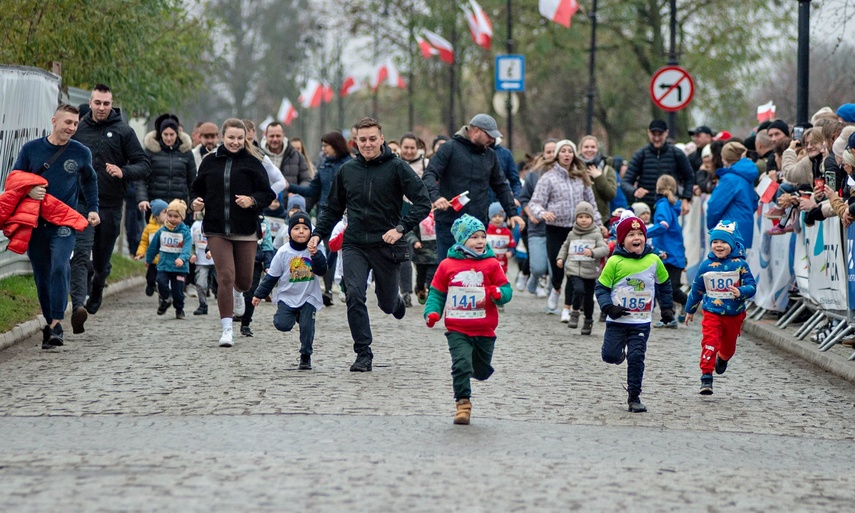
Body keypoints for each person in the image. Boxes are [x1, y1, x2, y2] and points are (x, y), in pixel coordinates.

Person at [309, 117, 432, 372]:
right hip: (355, 243)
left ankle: (395, 302)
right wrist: (317, 234)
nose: (367, 144)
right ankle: (363, 353)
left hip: (385, 244)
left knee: (386, 305)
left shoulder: (397, 168)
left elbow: (423, 202)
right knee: (354, 294)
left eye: (372, 139)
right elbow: (332, 209)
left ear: (381, 139)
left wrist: (400, 229)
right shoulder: (347, 171)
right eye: (362, 140)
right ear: (356, 142)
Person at [8, 104, 100, 347]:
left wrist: (93, 208)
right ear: (54, 121)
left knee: (60, 266)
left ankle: (56, 324)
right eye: (67, 122)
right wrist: (30, 190)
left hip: (64, 223)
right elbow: (14, 180)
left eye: (75, 124)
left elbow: (90, 181)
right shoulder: (31, 149)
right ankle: (50, 322)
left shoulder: (81, 152)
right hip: (35, 223)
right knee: (42, 275)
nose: (71, 127)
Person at [71, 83, 151, 328]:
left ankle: (98, 284)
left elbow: (144, 164)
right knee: (81, 253)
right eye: (97, 103)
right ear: (91, 102)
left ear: (111, 104)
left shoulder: (123, 131)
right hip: (82, 203)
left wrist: (123, 171)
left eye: (106, 103)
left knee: (101, 257)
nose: (102, 107)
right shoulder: (79, 128)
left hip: (110, 203)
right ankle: (78, 305)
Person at [190, 118, 275, 347]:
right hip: (216, 227)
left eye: (240, 138)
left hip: (245, 228)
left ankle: (239, 293)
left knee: (245, 282)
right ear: (222, 137)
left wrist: (252, 200)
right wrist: (194, 203)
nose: (236, 142)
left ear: (245, 138)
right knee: (225, 276)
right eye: (231, 138)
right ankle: (227, 329)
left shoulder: (253, 162)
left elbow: (268, 194)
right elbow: (196, 190)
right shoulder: (209, 162)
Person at [423, 214, 513, 425]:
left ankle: (476, 371)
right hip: (457, 327)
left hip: (484, 329)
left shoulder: (491, 264)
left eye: (482, 236)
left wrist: (499, 293)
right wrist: (432, 313)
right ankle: (463, 404)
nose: (480, 241)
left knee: (481, 370)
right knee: (461, 364)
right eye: (474, 237)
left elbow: (507, 289)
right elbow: (436, 293)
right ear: (462, 240)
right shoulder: (447, 265)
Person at [595, 211, 674, 413]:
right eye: (630, 235)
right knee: (610, 356)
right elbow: (602, 288)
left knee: (637, 356)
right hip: (618, 320)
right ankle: (618, 355)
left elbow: (664, 284)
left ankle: (634, 396)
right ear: (622, 241)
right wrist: (608, 308)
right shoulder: (614, 262)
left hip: (641, 321)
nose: (636, 238)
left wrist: (667, 308)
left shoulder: (654, 260)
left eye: (639, 234)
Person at [422, 113, 525, 263]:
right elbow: (429, 174)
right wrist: (436, 197)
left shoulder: (491, 155)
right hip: (449, 222)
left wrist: (512, 212)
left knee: (474, 271)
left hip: (477, 224)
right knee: (449, 267)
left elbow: (501, 186)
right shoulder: (449, 148)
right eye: (489, 135)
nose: (492, 140)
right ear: (475, 130)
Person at [527, 139, 603, 319]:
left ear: (574, 155)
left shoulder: (581, 176)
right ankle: (555, 288)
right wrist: (543, 213)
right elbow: (535, 203)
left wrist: (599, 224)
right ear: (557, 155)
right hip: (555, 228)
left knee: (574, 268)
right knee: (557, 265)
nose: (567, 154)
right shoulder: (548, 177)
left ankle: (567, 308)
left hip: (577, 230)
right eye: (564, 151)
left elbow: (591, 203)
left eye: (570, 151)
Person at [684, 221, 756, 395]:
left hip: (734, 314)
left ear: (731, 244)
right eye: (715, 242)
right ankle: (706, 376)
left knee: (728, 348)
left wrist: (740, 291)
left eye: (723, 242)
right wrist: (690, 310)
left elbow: (752, 286)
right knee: (710, 342)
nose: (719, 246)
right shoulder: (706, 265)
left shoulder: (740, 265)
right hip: (712, 312)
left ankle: (722, 359)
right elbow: (697, 289)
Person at [252, 211, 328, 370]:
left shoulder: (314, 249)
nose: (301, 231)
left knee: (307, 327)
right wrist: (259, 294)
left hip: (309, 296)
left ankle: (305, 356)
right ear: (289, 232)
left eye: (305, 229)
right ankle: (293, 316)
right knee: (282, 325)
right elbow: (272, 277)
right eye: (297, 228)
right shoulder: (283, 252)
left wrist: (316, 255)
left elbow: (322, 270)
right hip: (287, 296)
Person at [556, 201, 609, 335]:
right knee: (578, 289)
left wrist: (592, 252)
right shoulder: (572, 234)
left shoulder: (596, 234)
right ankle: (574, 312)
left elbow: (605, 249)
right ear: (576, 218)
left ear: (592, 218)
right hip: (574, 269)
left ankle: (588, 321)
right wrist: (560, 258)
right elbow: (565, 246)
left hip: (590, 271)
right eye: (580, 217)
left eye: (587, 217)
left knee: (588, 299)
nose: (583, 220)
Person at [621, 119, 694, 215]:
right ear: (648, 133)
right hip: (645, 209)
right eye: (653, 134)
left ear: (666, 133)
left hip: (669, 206)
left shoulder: (677, 154)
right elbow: (625, 182)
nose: (656, 138)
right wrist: (634, 191)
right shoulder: (641, 154)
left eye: (660, 134)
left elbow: (689, 177)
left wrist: (686, 199)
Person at [646, 175, 688, 326]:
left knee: (670, 288)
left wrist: (644, 232)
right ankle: (668, 318)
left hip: (669, 253)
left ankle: (689, 302)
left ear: (657, 188)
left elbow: (663, 225)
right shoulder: (670, 204)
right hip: (671, 252)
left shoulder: (663, 204)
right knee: (662, 287)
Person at [138, 114, 197, 219]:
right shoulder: (150, 152)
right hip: (156, 207)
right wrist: (142, 198)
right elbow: (141, 178)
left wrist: (193, 203)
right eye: (165, 134)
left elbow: (192, 181)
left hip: (179, 207)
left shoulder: (186, 153)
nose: (168, 138)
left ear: (177, 134)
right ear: (160, 134)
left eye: (172, 134)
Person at [519, 139, 557, 297]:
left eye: (555, 151)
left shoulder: (569, 174)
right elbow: (524, 198)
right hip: (537, 227)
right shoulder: (534, 174)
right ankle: (534, 276)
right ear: (544, 154)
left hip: (557, 227)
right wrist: (531, 214)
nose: (552, 155)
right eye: (549, 152)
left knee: (555, 269)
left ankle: (551, 299)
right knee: (539, 267)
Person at [706, 142, 760, 248]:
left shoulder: (730, 178)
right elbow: (753, 203)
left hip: (727, 231)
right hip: (743, 229)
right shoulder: (746, 176)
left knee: (725, 264)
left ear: (725, 158)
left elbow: (715, 205)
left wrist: (711, 225)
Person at [145, 199, 192, 318]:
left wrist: (182, 259)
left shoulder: (185, 233)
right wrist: (148, 259)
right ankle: (167, 298)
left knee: (178, 292)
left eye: (176, 216)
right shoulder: (161, 231)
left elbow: (187, 249)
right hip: (164, 265)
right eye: (169, 215)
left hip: (180, 268)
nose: (172, 219)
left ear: (182, 217)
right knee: (160, 282)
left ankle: (179, 309)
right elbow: (153, 247)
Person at [577, 135, 618, 222]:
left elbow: (611, 195)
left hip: (600, 220)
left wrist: (599, 177)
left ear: (597, 149)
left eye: (593, 147)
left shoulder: (607, 169)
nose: (589, 150)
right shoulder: (574, 168)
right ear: (580, 149)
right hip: (577, 219)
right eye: (586, 147)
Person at [134, 198, 169, 297]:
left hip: (165, 260)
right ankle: (151, 285)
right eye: (164, 212)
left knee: (163, 278)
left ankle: (164, 293)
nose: (167, 215)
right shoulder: (149, 228)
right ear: (157, 215)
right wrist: (140, 253)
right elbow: (144, 242)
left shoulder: (170, 227)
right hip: (153, 260)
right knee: (150, 277)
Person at [261, 121, 311, 187]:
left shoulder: (297, 156)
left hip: (290, 196)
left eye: (278, 136)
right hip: (264, 196)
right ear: (266, 136)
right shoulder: (257, 156)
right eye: (272, 136)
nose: (275, 139)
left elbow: (306, 180)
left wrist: (297, 192)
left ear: (283, 135)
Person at [406, 210, 438, 305]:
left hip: (435, 253)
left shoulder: (438, 216)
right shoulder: (417, 216)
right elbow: (409, 231)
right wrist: (415, 241)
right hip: (421, 253)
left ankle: (432, 294)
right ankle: (420, 289)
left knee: (432, 276)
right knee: (421, 275)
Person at [189, 210, 215, 315]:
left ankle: (230, 307)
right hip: (201, 261)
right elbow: (191, 242)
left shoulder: (217, 223)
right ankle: (203, 304)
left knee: (225, 283)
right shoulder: (196, 225)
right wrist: (192, 254)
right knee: (200, 283)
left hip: (218, 260)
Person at [486, 202, 515, 275]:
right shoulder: (487, 230)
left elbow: (512, 245)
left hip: (502, 263)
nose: (497, 219)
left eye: (500, 216)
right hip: (488, 262)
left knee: (501, 281)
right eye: (494, 216)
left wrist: (511, 252)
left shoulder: (507, 232)